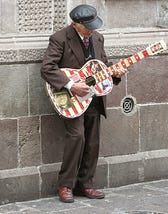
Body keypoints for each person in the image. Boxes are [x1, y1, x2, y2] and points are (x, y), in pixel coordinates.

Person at [40, 4, 126, 203]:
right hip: (70, 99)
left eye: (93, 26)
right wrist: (71, 85)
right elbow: (47, 68)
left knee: (93, 140)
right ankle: (66, 185)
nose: (91, 30)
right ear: (75, 24)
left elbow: (102, 67)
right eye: (87, 26)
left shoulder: (97, 38)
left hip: (94, 97)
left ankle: (85, 183)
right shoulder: (60, 38)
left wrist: (115, 74)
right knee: (77, 137)